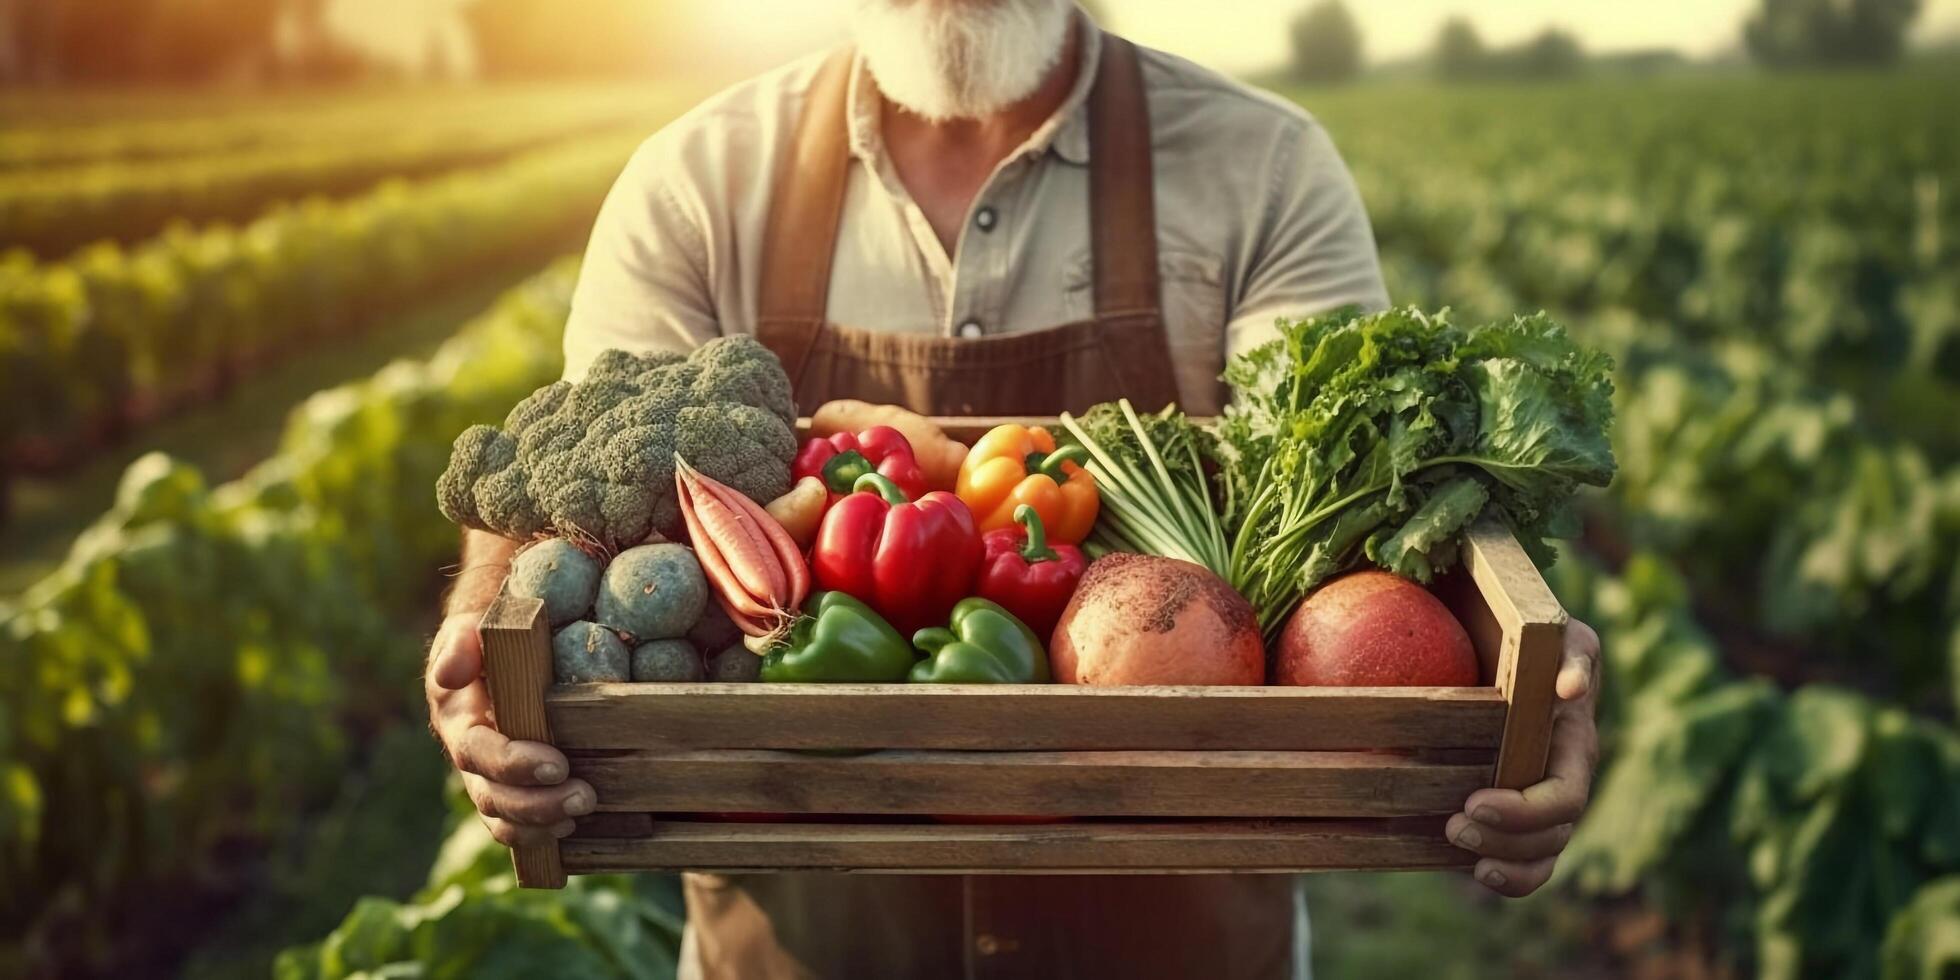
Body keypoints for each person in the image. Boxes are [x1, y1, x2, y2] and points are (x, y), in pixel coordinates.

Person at [425, 1, 1604, 977]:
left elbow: (1364, 493)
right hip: (798, 939)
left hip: (1182, 934)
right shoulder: (695, 179)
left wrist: (1515, 642)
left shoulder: (1264, 166)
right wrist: (486, 627)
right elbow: (568, 496)